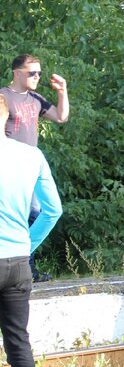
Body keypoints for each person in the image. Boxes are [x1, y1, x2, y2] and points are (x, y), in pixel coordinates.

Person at [0, 94, 62, 367]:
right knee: (17, 341)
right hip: (18, 262)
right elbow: (53, 211)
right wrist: (26, 245)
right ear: (6, 118)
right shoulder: (32, 155)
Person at [2, 54, 69, 283]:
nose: (37, 76)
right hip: (10, 165)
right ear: (17, 72)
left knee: (45, 212)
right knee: (23, 215)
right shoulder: (4, 97)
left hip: (32, 164)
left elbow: (61, 117)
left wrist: (62, 91)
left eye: (39, 72)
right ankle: (22, 265)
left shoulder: (35, 98)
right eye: (32, 72)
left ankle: (23, 259)